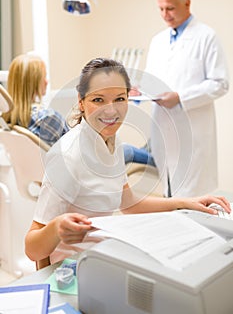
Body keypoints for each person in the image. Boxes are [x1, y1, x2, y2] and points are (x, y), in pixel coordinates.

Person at [24, 57, 231, 265]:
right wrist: (56, 227)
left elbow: (129, 203)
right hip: (74, 268)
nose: (111, 110)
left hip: (102, 253)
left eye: (120, 99)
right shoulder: (67, 156)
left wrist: (185, 203)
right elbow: (32, 249)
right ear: (81, 101)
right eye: (98, 100)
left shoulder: (111, 141)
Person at [145, 0, 229, 197]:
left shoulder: (206, 37)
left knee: (194, 196)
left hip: (194, 128)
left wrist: (180, 97)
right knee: (169, 192)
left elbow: (220, 83)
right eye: (161, 9)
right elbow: (151, 80)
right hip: (163, 126)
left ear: (187, 3)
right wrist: (139, 91)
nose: (165, 14)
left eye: (170, 8)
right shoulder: (158, 41)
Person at [3, 54, 69, 146]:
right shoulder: (47, 118)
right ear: (33, 82)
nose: (46, 82)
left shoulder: (6, 121)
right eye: (44, 77)